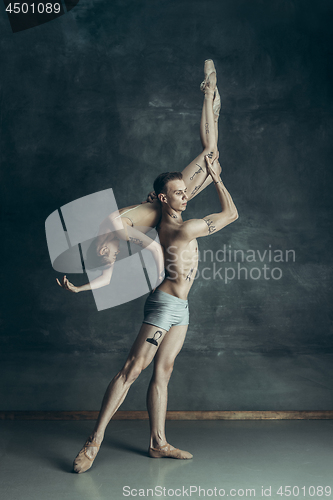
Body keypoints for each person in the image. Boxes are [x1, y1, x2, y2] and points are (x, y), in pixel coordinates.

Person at [62, 60, 238, 473]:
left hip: (182, 309)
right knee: (132, 369)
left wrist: (209, 101)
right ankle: (93, 442)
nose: (183, 194)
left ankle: (158, 442)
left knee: (164, 370)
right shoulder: (157, 223)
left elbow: (210, 159)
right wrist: (106, 251)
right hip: (163, 306)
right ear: (159, 197)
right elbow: (118, 233)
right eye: (175, 192)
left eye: (183, 191)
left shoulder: (174, 214)